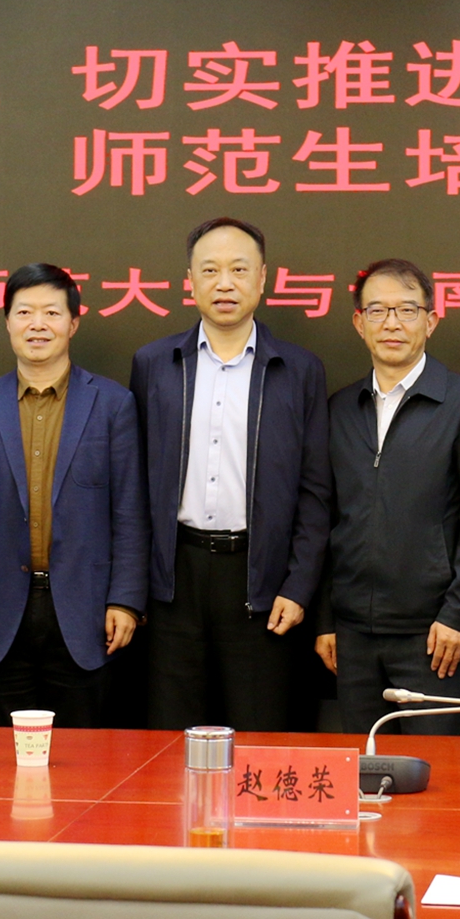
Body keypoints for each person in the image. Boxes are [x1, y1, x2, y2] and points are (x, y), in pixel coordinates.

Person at [129, 218, 331, 733]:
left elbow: (315, 492)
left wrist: (298, 587)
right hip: (174, 578)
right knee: (171, 738)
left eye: (239, 270)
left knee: (258, 733)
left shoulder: (299, 370)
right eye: (210, 270)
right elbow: (133, 486)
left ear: (262, 279)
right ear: (189, 281)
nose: (224, 283)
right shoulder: (154, 364)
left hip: (261, 580)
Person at [0, 265, 149, 727]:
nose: (38, 324)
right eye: (24, 313)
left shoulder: (113, 404)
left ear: (73, 323)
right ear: (7, 322)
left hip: (87, 614)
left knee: (85, 754)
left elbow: (130, 513)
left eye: (52, 313)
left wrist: (125, 601)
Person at [316, 259, 460, 736]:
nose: (392, 324)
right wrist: (326, 619)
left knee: (437, 771)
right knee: (365, 770)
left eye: (406, 310)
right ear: (359, 322)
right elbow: (323, 517)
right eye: (378, 311)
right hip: (352, 636)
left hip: (435, 635)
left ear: (431, 321)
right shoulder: (340, 408)